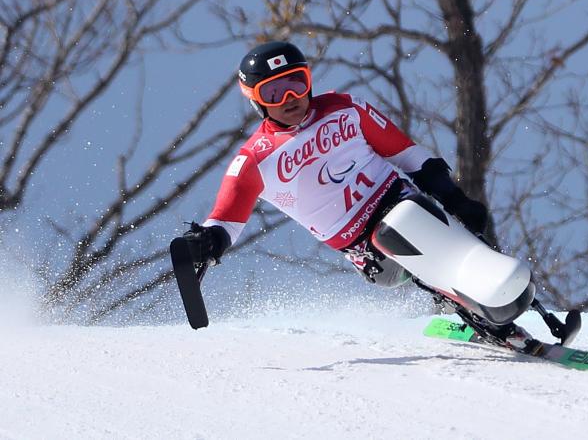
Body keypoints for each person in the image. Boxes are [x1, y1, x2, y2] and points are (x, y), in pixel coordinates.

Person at [181, 40, 489, 288]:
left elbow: (406, 154)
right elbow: (226, 220)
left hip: (400, 201)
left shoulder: (345, 108)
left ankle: (489, 288)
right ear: (256, 100)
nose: (289, 97)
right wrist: (207, 241)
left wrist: (455, 198)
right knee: (398, 234)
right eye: (273, 92)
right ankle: (450, 296)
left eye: (296, 84)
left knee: (426, 221)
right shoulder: (255, 159)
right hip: (363, 245)